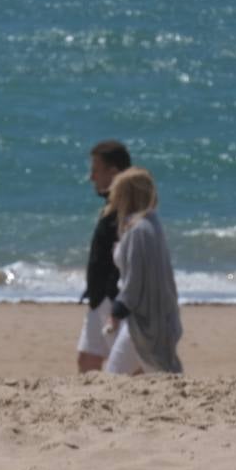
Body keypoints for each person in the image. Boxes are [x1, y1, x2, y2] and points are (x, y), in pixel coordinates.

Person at [101, 168, 183, 375]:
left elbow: (135, 280)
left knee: (125, 373)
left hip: (145, 319)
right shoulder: (151, 225)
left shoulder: (139, 231)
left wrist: (117, 311)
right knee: (154, 370)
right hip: (151, 316)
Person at [77, 140, 131, 373]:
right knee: (88, 359)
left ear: (114, 172)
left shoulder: (126, 207)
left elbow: (127, 256)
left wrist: (113, 295)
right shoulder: (112, 204)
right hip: (98, 297)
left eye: (96, 170)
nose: (91, 177)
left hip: (112, 297)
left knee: (128, 368)